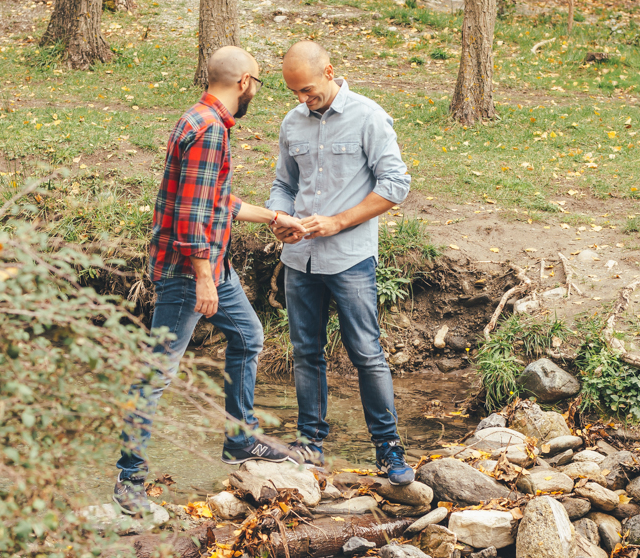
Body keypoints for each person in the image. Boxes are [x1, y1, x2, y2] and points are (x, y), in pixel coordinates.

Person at [114, 47, 307, 516]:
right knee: (158, 372)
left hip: (212, 265)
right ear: (243, 82)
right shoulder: (209, 131)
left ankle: (240, 440)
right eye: (257, 83)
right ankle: (128, 477)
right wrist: (202, 277)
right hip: (189, 270)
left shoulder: (198, 119)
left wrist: (275, 217)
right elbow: (191, 215)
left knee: (248, 336)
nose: (256, 91)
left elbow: (217, 200)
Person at [266, 41, 415, 486]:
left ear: (329, 72)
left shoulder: (369, 116)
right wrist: (279, 218)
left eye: (307, 90)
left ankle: (388, 449)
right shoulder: (292, 122)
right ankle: (309, 444)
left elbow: (396, 184)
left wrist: (338, 222)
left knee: (367, 353)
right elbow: (283, 184)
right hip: (299, 259)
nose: (302, 99)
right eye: (294, 92)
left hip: (350, 259)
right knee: (306, 353)